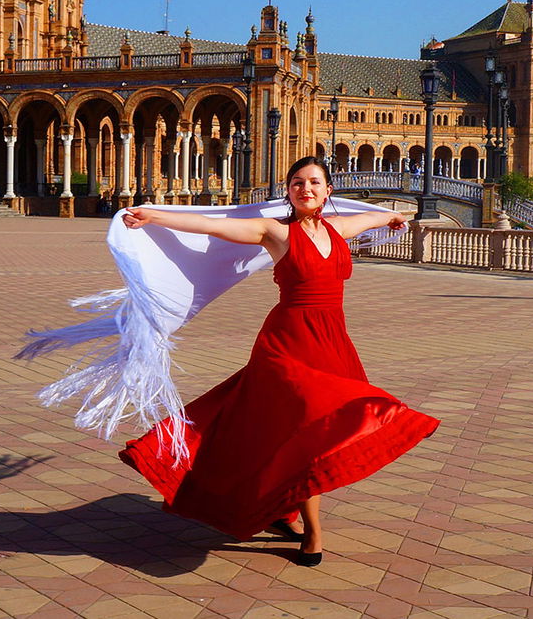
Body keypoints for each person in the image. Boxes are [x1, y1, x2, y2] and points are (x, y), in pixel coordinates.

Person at [115, 156, 439, 565]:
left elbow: (371, 219)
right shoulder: (276, 232)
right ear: (288, 191)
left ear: (328, 190)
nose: (306, 189)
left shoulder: (339, 229)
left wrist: (391, 218)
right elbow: (214, 225)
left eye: (314, 182)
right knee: (305, 426)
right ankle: (313, 532)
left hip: (332, 342)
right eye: (297, 182)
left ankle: (283, 509)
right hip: (287, 344)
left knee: (315, 431)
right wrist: (155, 216)